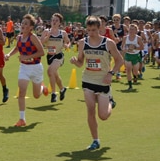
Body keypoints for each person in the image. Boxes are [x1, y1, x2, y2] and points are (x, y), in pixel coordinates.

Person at [70, 16, 122, 150]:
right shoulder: (82, 43)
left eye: (93, 30)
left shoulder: (108, 43)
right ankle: (95, 140)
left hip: (103, 82)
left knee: (103, 115)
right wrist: (76, 61)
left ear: (100, 28)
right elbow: (81, 63)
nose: (91, 33)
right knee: (90, 111)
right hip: (88, 80)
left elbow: (119, 60)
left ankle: (110, 101)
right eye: (88, 30)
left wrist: (111, 73)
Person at [5, 14, 48, 127]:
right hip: (24, 68)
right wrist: (9, 54)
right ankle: (22, 119)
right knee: (21, 92)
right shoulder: (19, 37)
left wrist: (27, 56)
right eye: (22, 23)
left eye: (26, 24)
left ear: (31, 28)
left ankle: (42, 88)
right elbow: (17, 48)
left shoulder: (33, 37)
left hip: (36, 68)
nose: (23, 25)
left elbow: (42, 52)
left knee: (36, 95)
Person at [41, 13, 71, 103]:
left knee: (50, 71)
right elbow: (41, 42)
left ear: (59, 23)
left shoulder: (63, 33)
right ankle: (62, 89)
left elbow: (68, 42)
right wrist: (48, 36)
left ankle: (53, 93)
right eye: (53, 20)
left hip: (58, 56)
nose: (54, 22)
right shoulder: (46, 31)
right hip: (50, 56)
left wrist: (67, 45)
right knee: (55, 75)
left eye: (56, 20)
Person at [121, 23, 144, 90]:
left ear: (136, 30)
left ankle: (135, 76)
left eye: (133, 29)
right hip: (128, 55)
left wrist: (134, 47)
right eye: (130, 29)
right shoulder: (125, 38)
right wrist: (124, 49)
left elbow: (142, 47)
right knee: (128, 70)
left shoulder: (138, 38)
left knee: (135, 72)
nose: (131, 31)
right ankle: (130, 86)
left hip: (136, 56)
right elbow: (122, 46)